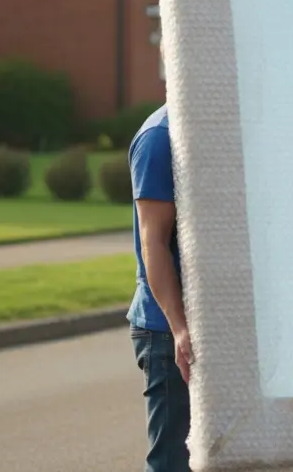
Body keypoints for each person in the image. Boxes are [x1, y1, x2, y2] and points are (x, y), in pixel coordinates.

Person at [127, 104, 192, 472]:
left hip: (211, 324)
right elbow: (154, 242)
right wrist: (180, 328)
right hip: (166, 331)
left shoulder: (216, 130)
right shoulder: (158, 138)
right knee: (172, 463)